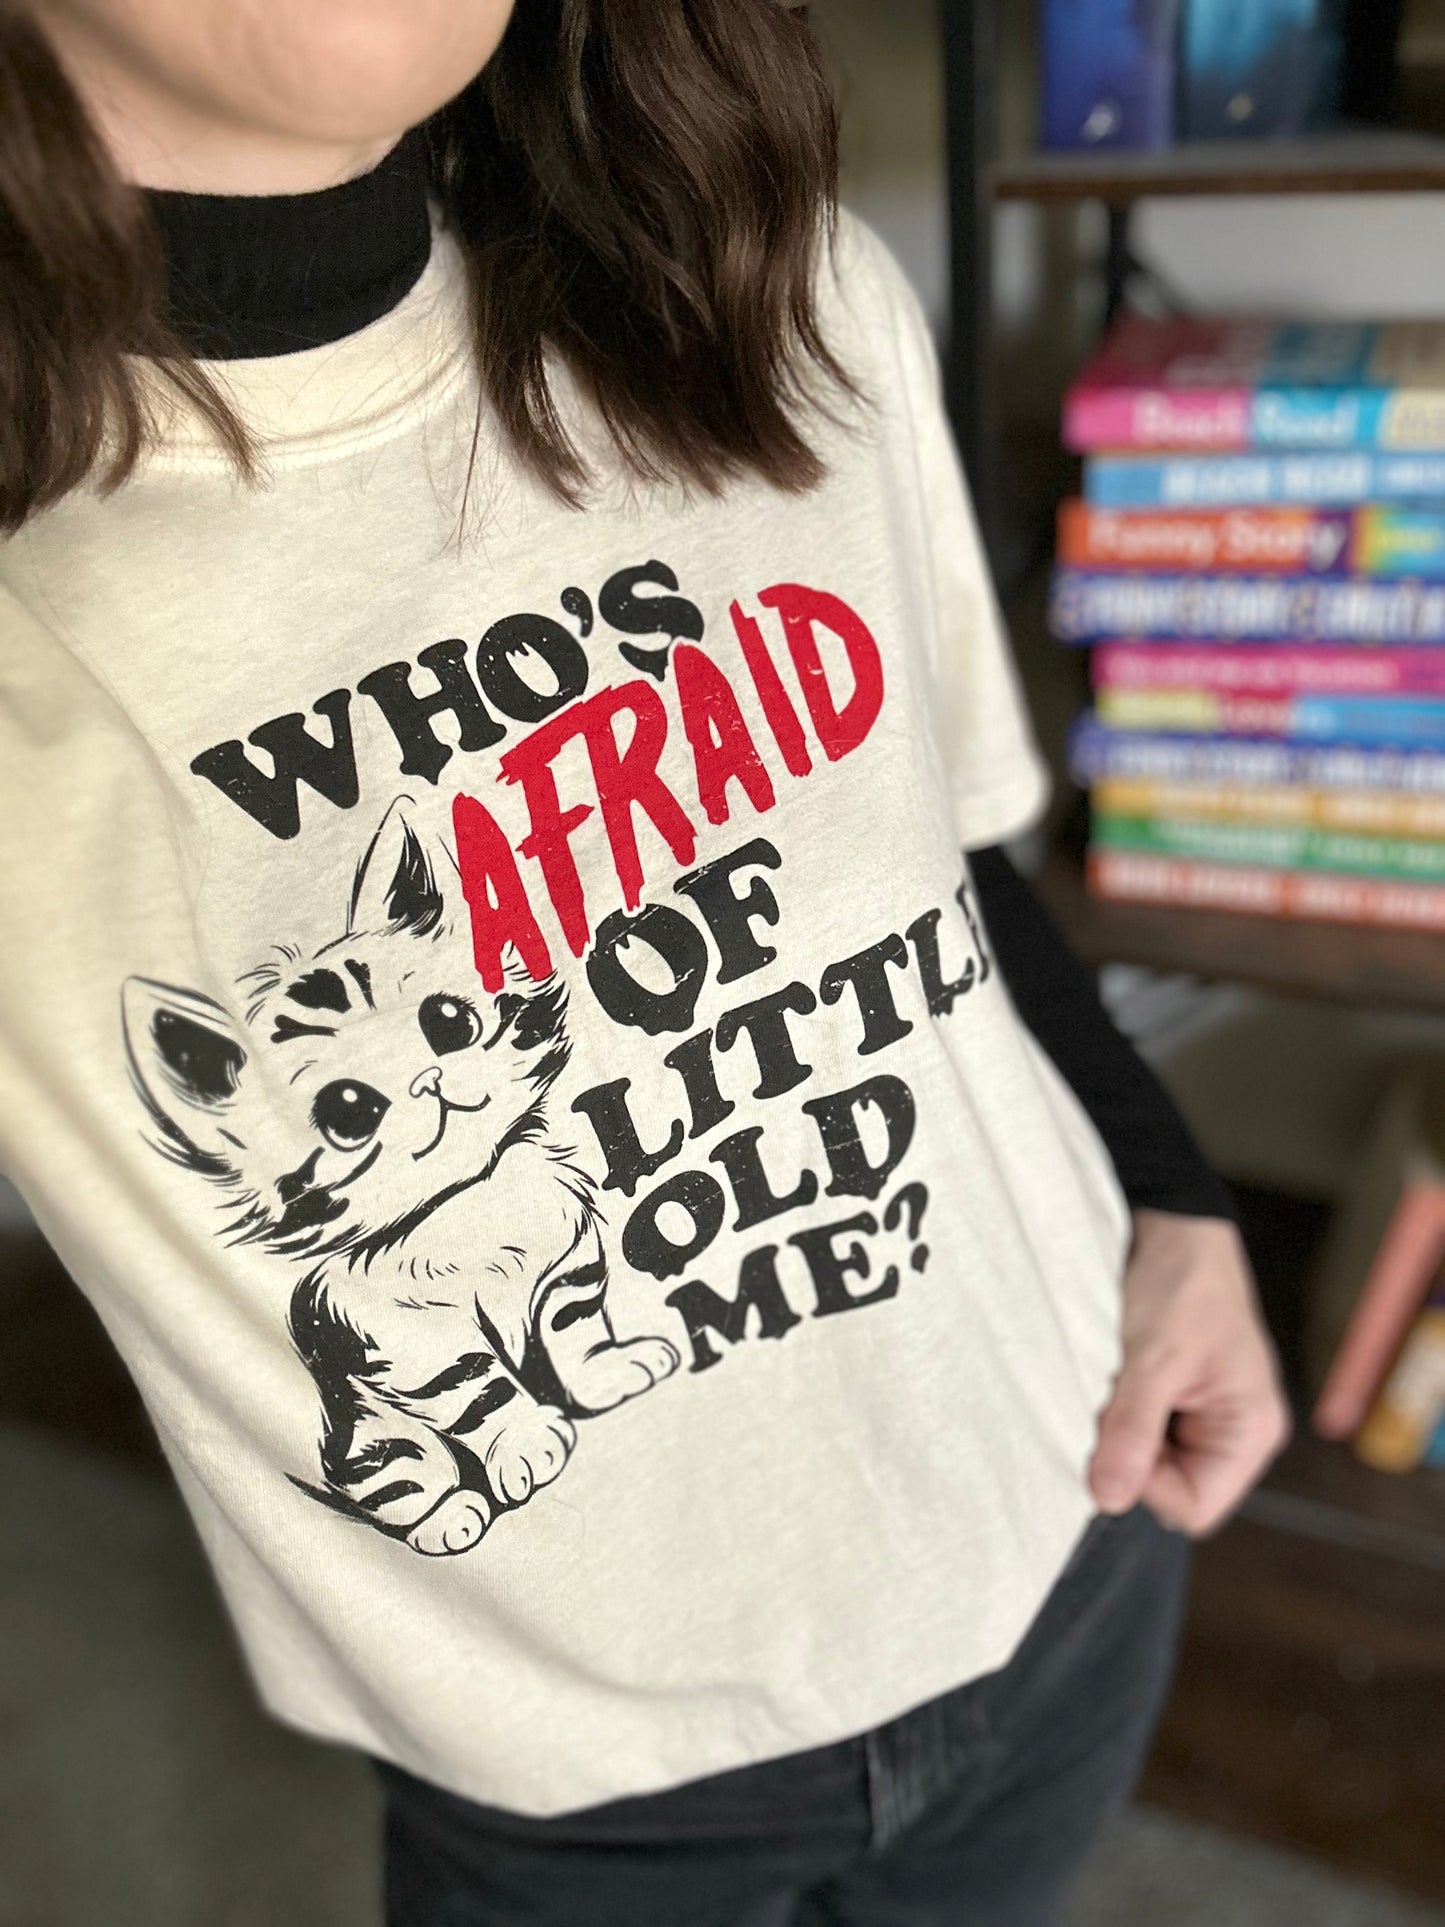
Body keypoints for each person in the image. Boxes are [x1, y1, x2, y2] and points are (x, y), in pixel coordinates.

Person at [0, 4, 1290, 1922]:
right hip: (571, 1792)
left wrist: (1168, 1188)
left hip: (1064, 1539)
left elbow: (939, 855)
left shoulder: (782, 285)